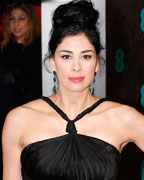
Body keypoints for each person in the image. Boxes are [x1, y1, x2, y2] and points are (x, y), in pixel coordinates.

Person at [2, 0, 144, 179]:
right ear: (53, 62)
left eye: (86, 56)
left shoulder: (123, 117)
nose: (76, 67)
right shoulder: (19, 120)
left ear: (97, 63)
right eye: (66, 56)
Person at [0, 3, 42, 109]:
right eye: (12, 19)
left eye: (21, 19)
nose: (16, 24)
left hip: (30, 107)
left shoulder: (39, 48)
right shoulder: (3, 47)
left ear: (31, 21)